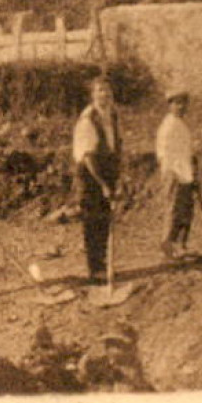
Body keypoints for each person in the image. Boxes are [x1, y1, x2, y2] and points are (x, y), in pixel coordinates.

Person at [72, 76, 123, 285]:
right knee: (93, 223)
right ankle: (95, 271)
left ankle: (105, 265)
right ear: (93, 95)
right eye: (100, 91)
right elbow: (88, 158)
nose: (105, 95)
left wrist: (117, 179)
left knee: (105, 220)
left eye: (108, 91)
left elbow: (116, 147)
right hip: (90, 177)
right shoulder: (88, 120)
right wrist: (102, 185)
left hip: (107, 173)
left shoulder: (112, 115)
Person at [155, 89, 197, 259]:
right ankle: (168, 246)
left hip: (185, 172)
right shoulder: (168, 126)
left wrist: (191, 168)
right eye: (177, 103)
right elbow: (164, 154)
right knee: (174, 210)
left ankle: (181, 246)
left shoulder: (181, 124)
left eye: (183, 103)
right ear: (170, 105)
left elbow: (185, 151)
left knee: (186, 210)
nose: (180, 107)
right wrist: (173, 174)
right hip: (173, 173)